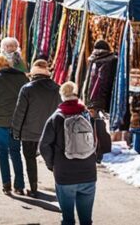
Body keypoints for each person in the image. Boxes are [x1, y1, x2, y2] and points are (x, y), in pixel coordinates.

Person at [39, 82, 97, 225]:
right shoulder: (88, 115)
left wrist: (52, 165)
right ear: (76, 95)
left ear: (62, 96)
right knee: (86, 220)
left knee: (68, 219)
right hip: (88, 173)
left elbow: (44, 145)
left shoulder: (56, 118)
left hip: (64, 175)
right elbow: (99, 140)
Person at [12, 59, 62, 197]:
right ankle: (61, 188)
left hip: (30, 132)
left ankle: (33, 189)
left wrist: (16, 132)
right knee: (54, 161)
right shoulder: (58, 89)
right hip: (51, 132)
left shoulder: (27, 89)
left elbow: (20, 112)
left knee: (30, 159)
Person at [0, 53, 29, 195]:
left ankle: (6, 184)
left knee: (2, 152)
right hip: (17, 121)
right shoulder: (22, 77)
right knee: (15, 152)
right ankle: (20, 185)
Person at [84, 40, 117, 115]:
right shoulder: (113, 61)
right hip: (106, 101)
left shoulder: (93, 61)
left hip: (92, 102)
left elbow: (88, 83)